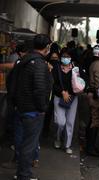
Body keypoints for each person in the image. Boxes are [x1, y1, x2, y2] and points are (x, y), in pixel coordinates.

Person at [15, 34, 52, 180]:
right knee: (29, 145)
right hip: (33, 111)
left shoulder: (24, 61)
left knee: (23, 142)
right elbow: (39, 89)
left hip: (22, 107)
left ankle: (20, 173)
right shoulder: (39, 64)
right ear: (46, 47)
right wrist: (42, 108)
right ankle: (24, 175)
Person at [52, 48, 78, 154]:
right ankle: (58, 138)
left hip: (73, 98)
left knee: (70, 122)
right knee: (60, 122)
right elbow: (53, 84)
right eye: (64, 56)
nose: (65, 58)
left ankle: (67, 145)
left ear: (71, 57)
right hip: (59, 96)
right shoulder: (56, 68)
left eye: (68, 56)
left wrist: (72, 92)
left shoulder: (76, 69)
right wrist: (63, 92)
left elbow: (82, 82)